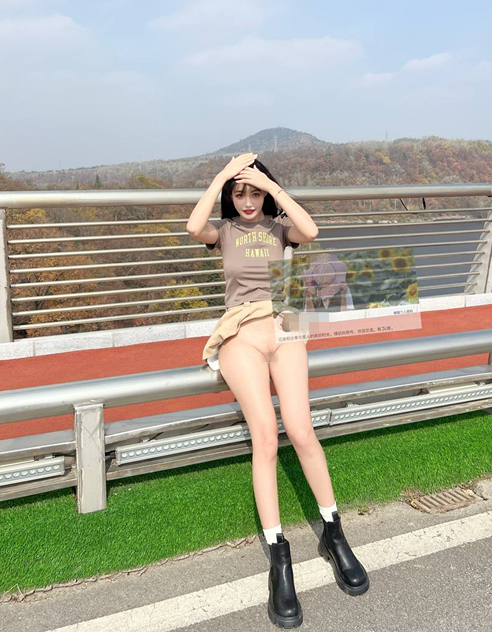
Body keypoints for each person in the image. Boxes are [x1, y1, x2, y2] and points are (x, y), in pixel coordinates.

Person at [187, 152, 369, 628]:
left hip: (286, 329)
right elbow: (193, 226)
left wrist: (272, 186)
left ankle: (334, 534)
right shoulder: (225, 231)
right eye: (239, 193)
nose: (247, 201)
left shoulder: (279, 228)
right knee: (266, 437)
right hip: (241, 336)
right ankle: (279, 556)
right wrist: (222, 176)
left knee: (302, 431)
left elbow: (311, 231)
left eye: (255, 192)